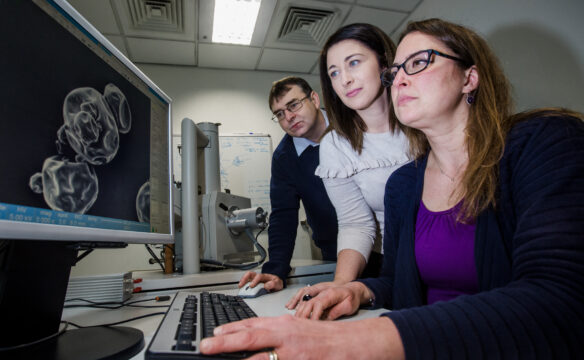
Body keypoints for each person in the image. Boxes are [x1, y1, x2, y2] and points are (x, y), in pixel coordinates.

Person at [201, 18, 584, 359]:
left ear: (470, 77)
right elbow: (400, 283)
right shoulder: (404, 184)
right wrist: (353, 291)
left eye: (418, 63)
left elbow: (562, 301)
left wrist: (352, 342)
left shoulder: (546, 141)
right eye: (397, 70)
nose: (398, 78)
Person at [286, 23, 410, 308]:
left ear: (384, 62)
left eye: (353, 63)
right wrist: (341, 285)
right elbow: (357, 223)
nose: (344, 80)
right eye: (334, 73)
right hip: (395, 267)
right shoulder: (336, 145)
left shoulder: (422, 119)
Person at [238, 77, 339, 292]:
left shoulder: (350, 123)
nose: (289, 117)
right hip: (336, 250)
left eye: (294, 105)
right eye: (280, 114)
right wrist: (276, 270)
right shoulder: (284, 157)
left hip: (388, 239)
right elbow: (283, 215)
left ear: (314, 98)